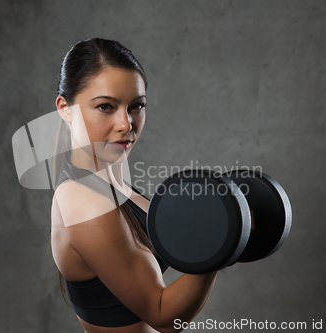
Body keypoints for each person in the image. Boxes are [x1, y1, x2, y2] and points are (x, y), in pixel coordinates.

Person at [50, 38, 218, 333]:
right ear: (66, 108)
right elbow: (163, 316)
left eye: (136, 106)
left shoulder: (116, 189)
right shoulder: (84, 199)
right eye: (105, 106)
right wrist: (221, 246)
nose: (126, 123)